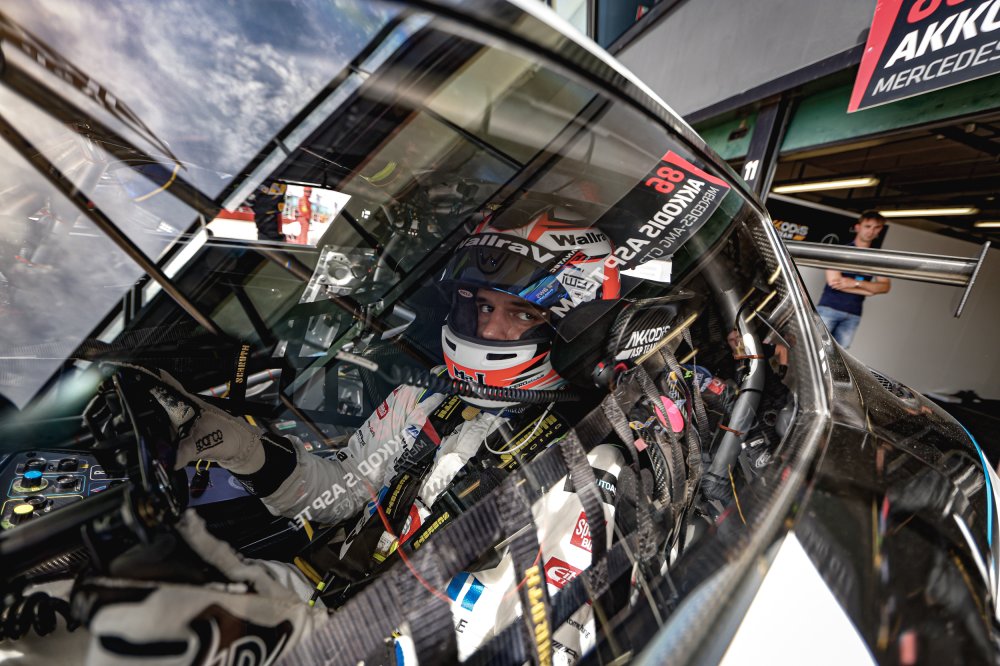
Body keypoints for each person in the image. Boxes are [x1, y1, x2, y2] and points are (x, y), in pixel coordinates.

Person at [81, 210, 627, 665]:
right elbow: (339, 495)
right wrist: (238, 447)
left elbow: (524, 638)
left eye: (519, 313)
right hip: (327, 603)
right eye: (482, 305)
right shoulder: (424, 398)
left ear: (573, 329)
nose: (487, 330)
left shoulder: (584, 465)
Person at [816, 210, 891, 349]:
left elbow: (885, 287)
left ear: (880, 230)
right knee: (816, 349)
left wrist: (854, 283)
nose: (871, 231)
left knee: (840, 356)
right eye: (868, 226)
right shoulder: (841, 251)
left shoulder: (877, 258)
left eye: (876, 227)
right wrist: (869, 290)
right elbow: (834, 282)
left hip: (853, 315)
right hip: (828, 309)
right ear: (858, 227)